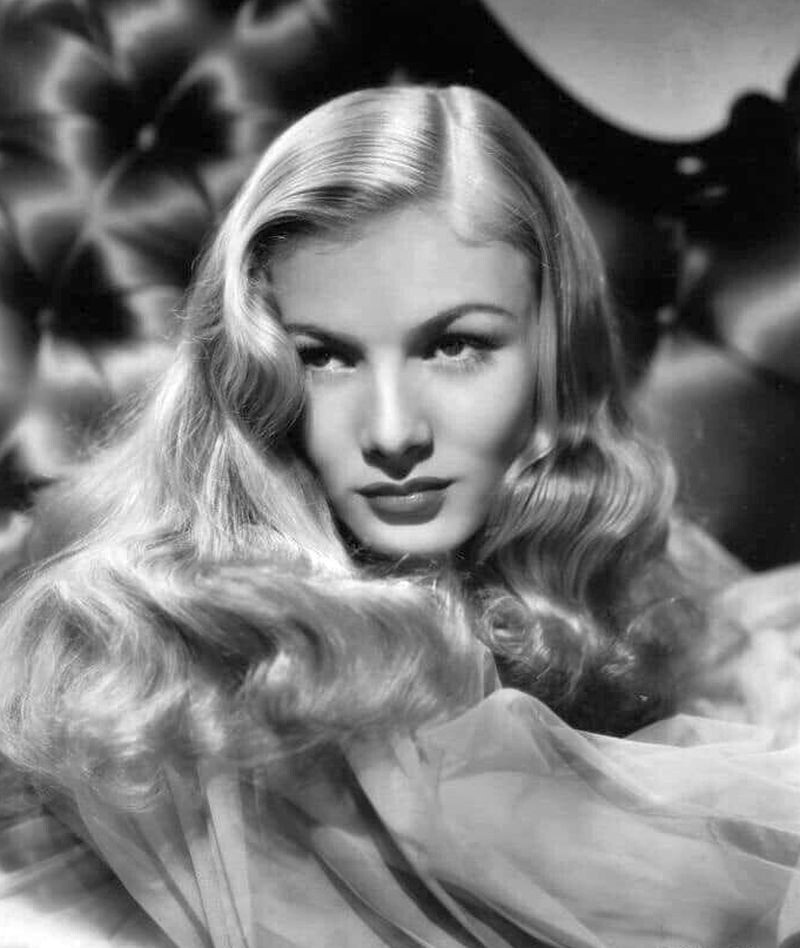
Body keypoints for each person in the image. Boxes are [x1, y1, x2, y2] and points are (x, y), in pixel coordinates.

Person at [1, 84, 800, 947]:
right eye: (324, 357)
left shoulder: (580, 553)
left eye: (455, 345)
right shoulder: (183, 664)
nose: (391, 434)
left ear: (553, 350)